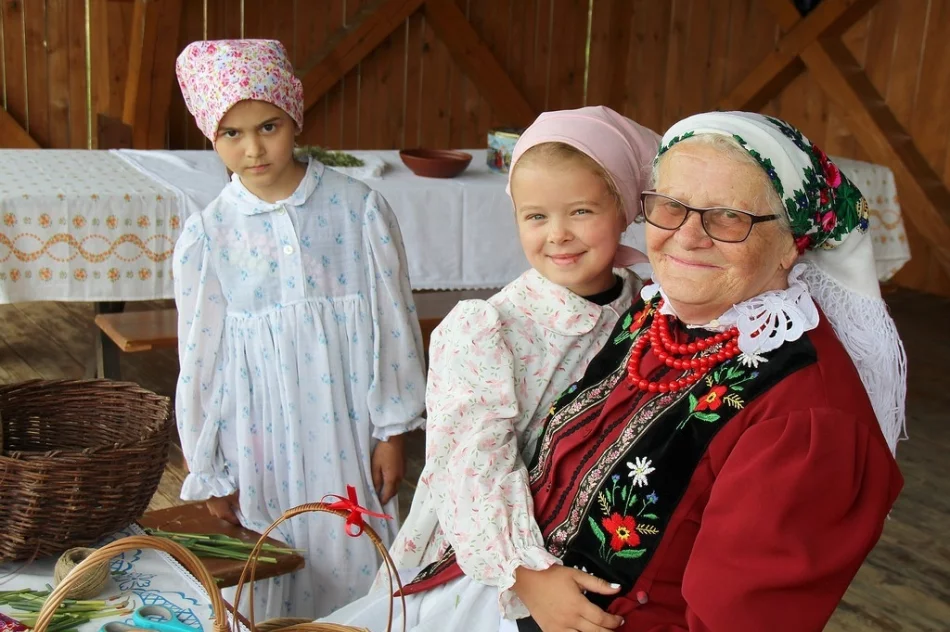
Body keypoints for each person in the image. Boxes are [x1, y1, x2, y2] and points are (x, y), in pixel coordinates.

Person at [340, 111, 907, 632]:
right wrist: (524, 576)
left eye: (729, 216)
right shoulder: (656, 312)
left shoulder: (806, 419)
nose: (687, 234)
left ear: (792, 243)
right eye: (670, 205)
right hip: (495, 591)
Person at [319, 106, 661, 631]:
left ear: (623, 208)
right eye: (536, 216)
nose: (559, 234)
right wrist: (523, 570)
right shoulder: (489, 330)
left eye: (582, 211)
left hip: (587, 534)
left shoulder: (648, 309)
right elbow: (471, 465)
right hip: (489, 545)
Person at [172, 39, 427, 620]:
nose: (253, 148)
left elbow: (393, 322)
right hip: (259, 434)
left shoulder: (357, 208)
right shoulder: (209, 236)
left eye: (268, 125)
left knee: (355, 545)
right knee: (272, 555)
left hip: (347, 428)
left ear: (295, 116)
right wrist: (209, 464)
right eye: (230, 134)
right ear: (210, 136)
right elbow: (201, 357)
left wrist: (392, 429)